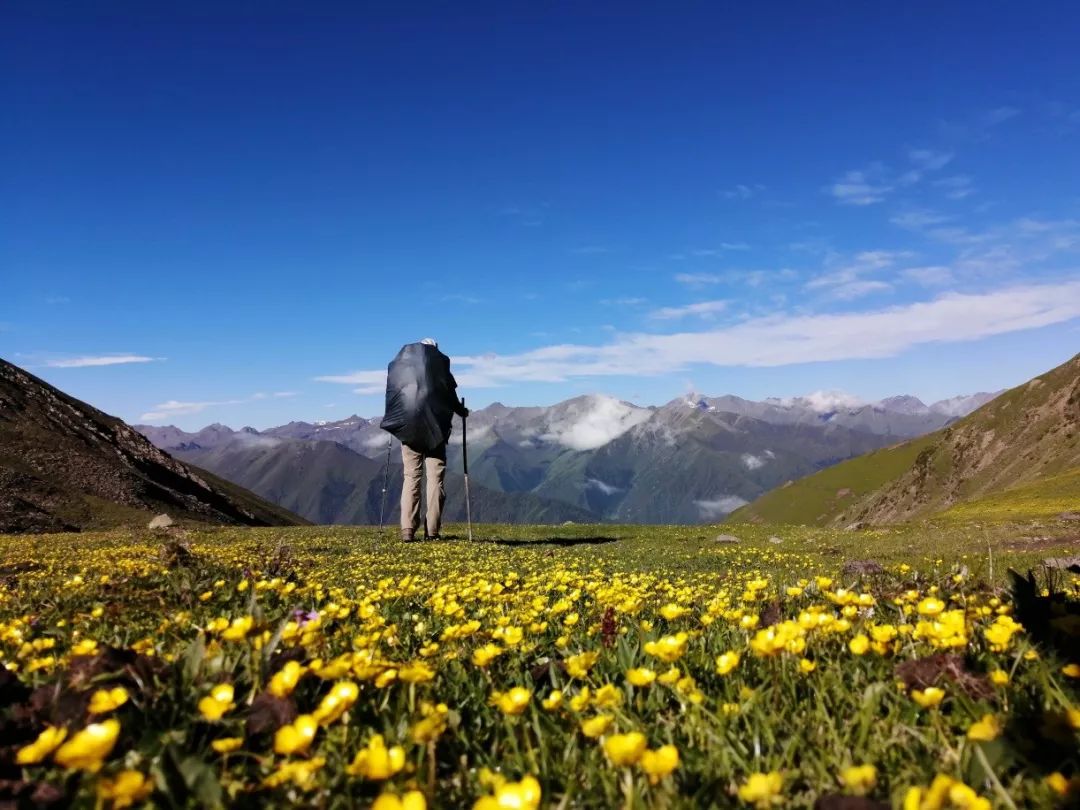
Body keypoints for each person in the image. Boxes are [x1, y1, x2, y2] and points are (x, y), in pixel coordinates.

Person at [380, 338, 468, 542]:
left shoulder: (401, 368)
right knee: (435, 480)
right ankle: (432, 532)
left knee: (411, 478)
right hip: (435, 432)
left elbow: (393, 395)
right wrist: (462, 411)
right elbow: (450, 397)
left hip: (408, 430)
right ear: (435, 350)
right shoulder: (440, 366)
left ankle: (408, 531)